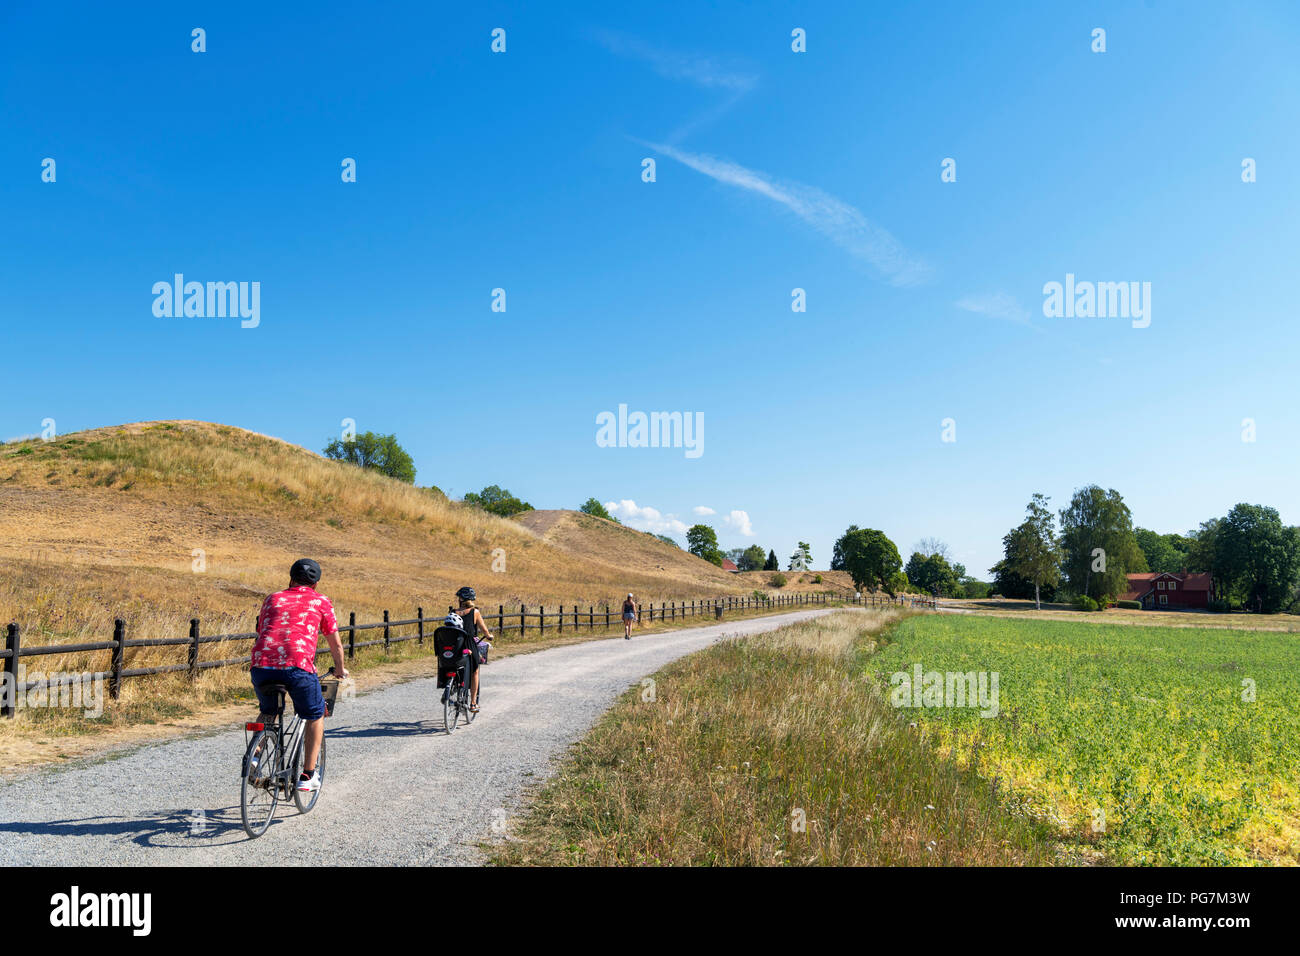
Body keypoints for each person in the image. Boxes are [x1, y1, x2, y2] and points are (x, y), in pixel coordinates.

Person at [250, 558, 348, 793]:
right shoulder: (320, 601)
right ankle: (307, 775)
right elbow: (336, 645)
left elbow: (262, 629)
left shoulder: (272, 598)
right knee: (315, 713)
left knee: (269, 711)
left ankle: (253, 757)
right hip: (297, 667)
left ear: (291, 578)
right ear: (315, 583)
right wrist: (339, 669)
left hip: (262, 665)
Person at [453, 586, 493, 712]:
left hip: (455, 645)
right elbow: (484, 630)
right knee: (475, 672)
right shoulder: (475, 612)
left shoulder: (453, 612)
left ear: (461, 599)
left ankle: (453, 686)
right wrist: (489, 636)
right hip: (469, 645)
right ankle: (473, 703)